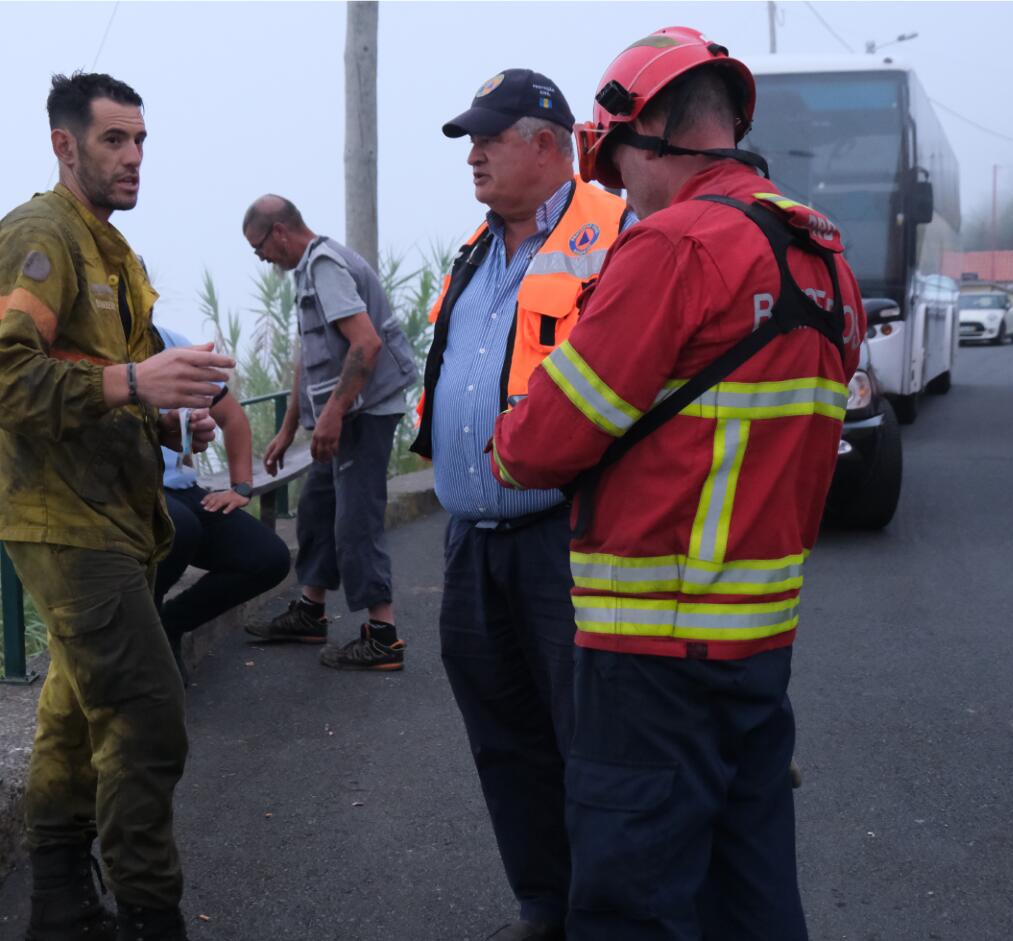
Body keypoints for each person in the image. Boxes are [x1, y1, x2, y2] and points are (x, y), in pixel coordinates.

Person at [489, 28, 866, 940]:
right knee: (752, 892)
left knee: (634, 904)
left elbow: (536, 445)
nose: (621, 196)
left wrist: (508, 433)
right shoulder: (822, 258)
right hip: (757, 646)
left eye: (618, 169)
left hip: (649, 656)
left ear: (653, 128)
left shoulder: (676, 249)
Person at [0, 72, 235, 941]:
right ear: (65, 145)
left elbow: (111, 384)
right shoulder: (39, 235)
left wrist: (177, 417)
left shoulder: (112, 251)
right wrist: (135, 379)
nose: (134, 158)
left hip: (113, 511)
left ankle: (59, 905)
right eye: (113, 141)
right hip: (62, 517)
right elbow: (7, 375)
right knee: (145, 709)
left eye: (141, 142)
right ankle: (150, 915)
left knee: (70, 711)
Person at [410, 69, 631, 940]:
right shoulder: (476, 249)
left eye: (489, 137)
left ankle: (605, 909)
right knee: (502, 732)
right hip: (471, 538)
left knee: (589, 736)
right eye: (471, 139)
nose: (474, 155)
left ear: (547, 144)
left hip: (565, 533)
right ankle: (545, 901)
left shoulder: (615, 234)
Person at [243, 195, 418, 670]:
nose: (260, 257)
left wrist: (334, 415)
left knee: (356, 519)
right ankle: (310, 612)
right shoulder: (307, 270)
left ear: (280, 231)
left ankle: (383, 637)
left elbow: (366, 342)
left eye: (259, 246)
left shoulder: (325, 266)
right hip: (344, 412)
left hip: (366, 410)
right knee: (318, 506)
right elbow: (309, 355)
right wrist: (287, 429)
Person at [153, 325, 291, 681]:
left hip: (181, 487)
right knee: (180, 527)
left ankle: (170, 623)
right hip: (133, 491)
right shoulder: (98, 344)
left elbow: (232, 417)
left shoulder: (171, 341)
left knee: (268, 559)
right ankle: (144, 635)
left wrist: (240, 486)